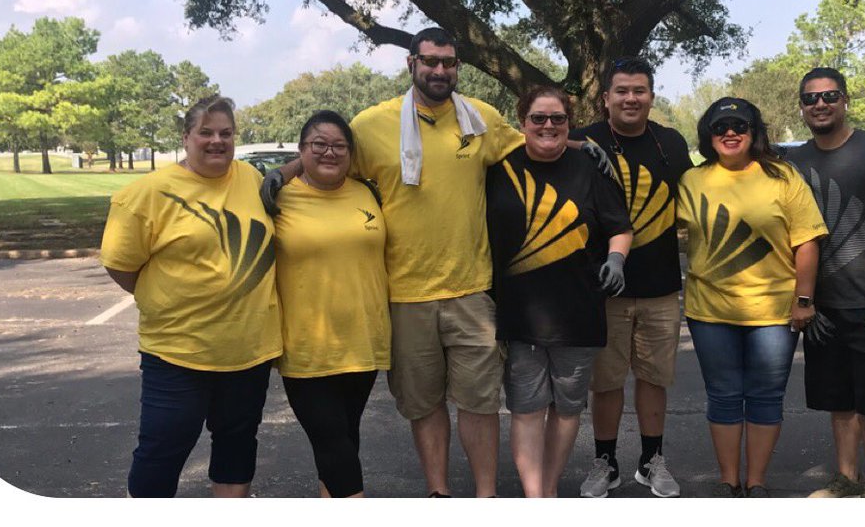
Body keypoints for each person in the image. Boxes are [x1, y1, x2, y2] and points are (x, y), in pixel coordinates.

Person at [261, 26, 612, 497]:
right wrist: (284, 171)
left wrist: (583, 146)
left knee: (479, 403)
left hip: (471, 290)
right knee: (424, 405)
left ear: (457, 67)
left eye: (448, 62)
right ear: (411, 64)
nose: (440, 70)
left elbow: (536, 138)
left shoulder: (479, 118)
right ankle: (438, 494)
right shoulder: (371, 124)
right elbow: (329, 151)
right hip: (404, 295)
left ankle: (484, 496)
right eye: (430, 61)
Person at [100, 97, 281, 498]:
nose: (217, 141)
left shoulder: (250, 177)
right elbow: (120, 265)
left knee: (236, 452)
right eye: (206, 132)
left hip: (248, 352)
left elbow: (287, 172)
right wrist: (167, 298)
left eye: (226, 133)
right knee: (161, 454)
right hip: (177, 353)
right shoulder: (145, 194)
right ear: (186, 138)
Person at [486, 87, 634, 497]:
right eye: (538, 118)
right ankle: (537, 498)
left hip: (579, 312)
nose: (548, 126)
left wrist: (617, 258)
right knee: (527, 409)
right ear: (522, 123)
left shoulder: (590, 167)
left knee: (567, 409)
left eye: (558, 119)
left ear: (569, 123)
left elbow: (619, 227)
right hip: (519, 314)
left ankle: (549, 490)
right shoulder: (498, 167)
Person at [677, 96, 826, 498]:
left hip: (774, 313)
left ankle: (756, 481)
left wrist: (804, 300)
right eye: (721, 127)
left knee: (764, 397)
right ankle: (729, 481)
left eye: (739, 126)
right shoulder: (691, 180)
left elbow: (807, 241)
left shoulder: (782, 177)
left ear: (753, 133)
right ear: (709, 135)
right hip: (710, 310)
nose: (730, 133)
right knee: (723, 396)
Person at [787, 67, 865, 499]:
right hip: (821, 306)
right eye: (810, 99)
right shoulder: (795, 162)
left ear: (845, 100)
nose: (819, 104)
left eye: (829, 96)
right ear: (802, 107)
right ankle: (845, 476)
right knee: (838, 399)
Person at [570, 58, 692, 499]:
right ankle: (605, 462)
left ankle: (651, 460)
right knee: (605, 382)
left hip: (660, 286)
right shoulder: (582, 138)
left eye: (639, 90)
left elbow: (694, 198)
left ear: (651, 97)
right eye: (621, 90)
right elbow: (536, 146)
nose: (630, 99)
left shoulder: (672, 144)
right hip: (603, 289)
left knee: (654, 378)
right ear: (605, 98)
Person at [273, 110, 390, 498]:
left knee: (344, 441)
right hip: (306, 348)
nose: (329, 152)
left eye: (339, 145)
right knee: (334, 446)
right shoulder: (276, 198)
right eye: (318, 144)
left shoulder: (367, 191)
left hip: (363, 342)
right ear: (301, 149)